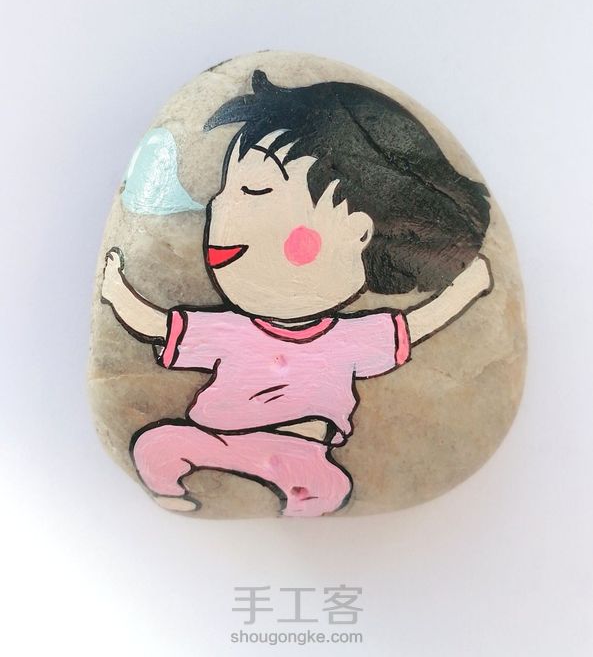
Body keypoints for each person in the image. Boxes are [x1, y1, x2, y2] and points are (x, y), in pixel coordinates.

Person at [101, 70, 493, 517]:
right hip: (217, 438)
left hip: (299, 448)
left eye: (256, 189)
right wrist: (116, 289)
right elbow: (159, 326)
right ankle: (173, 492)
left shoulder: (351, 341)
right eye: (225, 190)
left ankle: (295, 502)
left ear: (359, 232)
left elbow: (414, 325)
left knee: (328, 486)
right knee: (155, 446)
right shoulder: (227, 330)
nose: (218, 206)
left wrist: (467, 288)